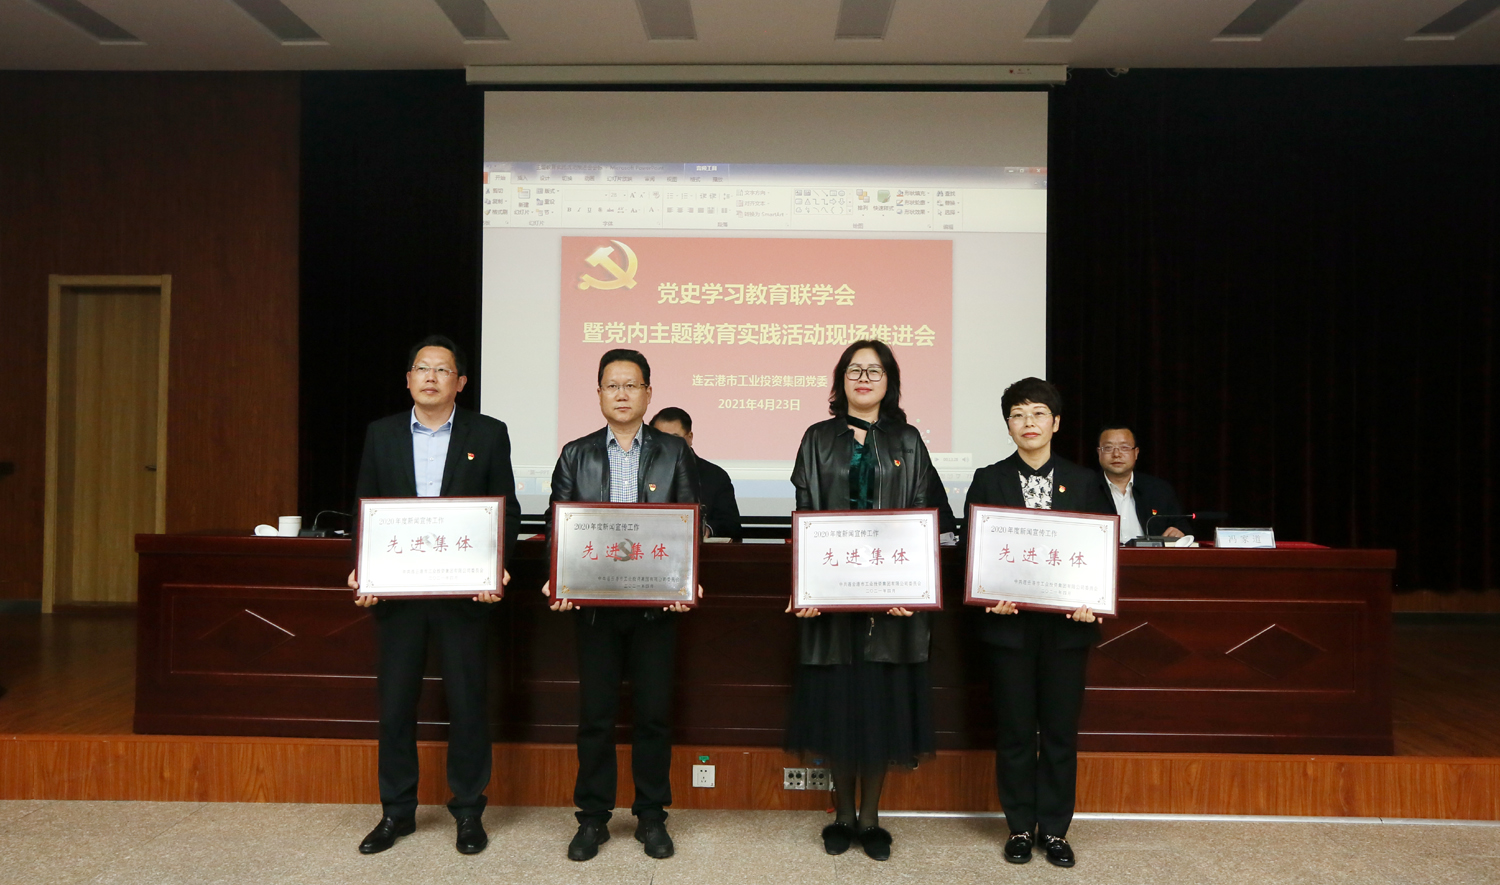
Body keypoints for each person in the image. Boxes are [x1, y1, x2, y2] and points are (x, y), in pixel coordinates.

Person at [346, 335, 521, 856]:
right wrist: (363, 571)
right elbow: (366, 506)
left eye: (442, 370)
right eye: (421, 368)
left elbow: (506, 509)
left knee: (467, 702)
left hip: (464, 594)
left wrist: (498, 568)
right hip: (399, 595)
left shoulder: (487, 433)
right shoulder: (381, 434)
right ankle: (396, 812)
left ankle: (468, 811)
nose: (430, 377)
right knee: (396, 704)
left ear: (459, 382)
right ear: (408, 379)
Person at [541, 349, 700, 862]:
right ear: (599, 394)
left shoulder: (674, 452)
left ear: (648, 393)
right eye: (613, 385)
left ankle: (651, 816)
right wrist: (556, 578)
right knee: (596, 716)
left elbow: (692, 521)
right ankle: (592, 818)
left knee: (653, 715)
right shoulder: (576, 453)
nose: (623, 394)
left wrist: (687, 580)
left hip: (656, 608)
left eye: (632, 385)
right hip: (595, 608)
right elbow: (558, 524)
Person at [786, 339, 937, 862]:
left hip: (891, 604)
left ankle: (870, 818)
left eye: (875, 370)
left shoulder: (907, 440)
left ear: (889, 381)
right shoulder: (817, 438)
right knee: (837, 707)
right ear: (841, 380)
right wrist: (804, 586)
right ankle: (842, 816)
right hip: (831, 600)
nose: (865, 378)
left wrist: (911, 586)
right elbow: (804, 515)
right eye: (855, 370)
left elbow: (921, 514)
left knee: (880, 708)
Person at [962, 377, 1112, 868]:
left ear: (1056, 423)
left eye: (1038, 413)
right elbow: (973, 548)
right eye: (1018, 414)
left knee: (1061, 732)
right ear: (1008, 425)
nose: (1029, 422)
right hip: (1009, 628)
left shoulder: (1085, 481)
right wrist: (989, 595)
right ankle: (1020, 827)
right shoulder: (988, 478)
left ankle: (1056, 831)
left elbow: (1102, 549)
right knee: (1015, 732)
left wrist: (1093, 599)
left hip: (1068, 628)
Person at [650, 406, 744, 540]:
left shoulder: (715, 475)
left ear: (690, 437)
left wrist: (707, 529)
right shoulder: (644, 472)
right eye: (661, 438)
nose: (668, 445)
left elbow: (731, 525)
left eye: (675, 439)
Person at [1096, 424, 1187, 540]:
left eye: (1124, 447)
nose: (1116, 454)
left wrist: (1178, 532)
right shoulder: (1085, 489)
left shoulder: (1158, 489)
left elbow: (1182, 527)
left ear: (1136, 453)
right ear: (1099, 453)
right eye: (1108, 448)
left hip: (1149, 552)